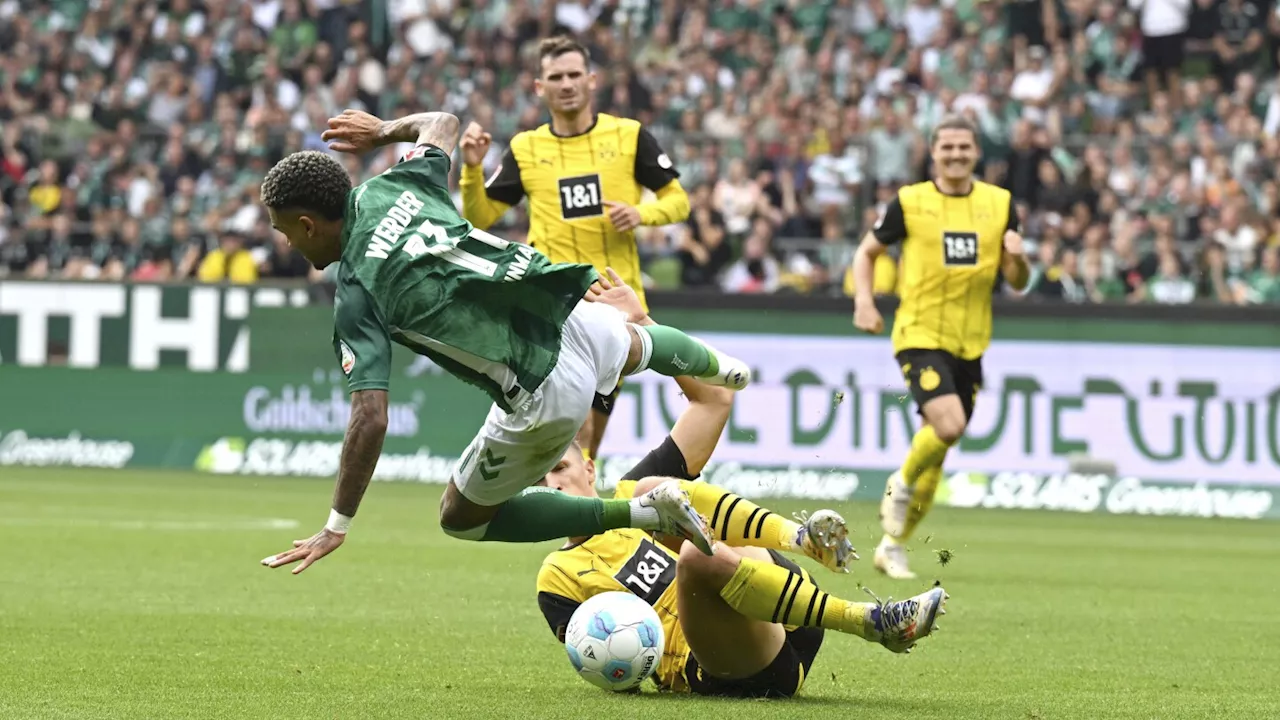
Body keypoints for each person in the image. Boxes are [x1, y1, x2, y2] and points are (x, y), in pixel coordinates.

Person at [257, 109, 749, 574]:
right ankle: (725, 368)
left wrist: (336, 524)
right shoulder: (397, 182)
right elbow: (442, 123)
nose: (288, 245)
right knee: (637, 344)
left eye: (285, 233)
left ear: (308, 224)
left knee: (459, 516)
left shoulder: (357, 294)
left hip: (540, 387)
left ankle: (644, 514)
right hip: (565, 307)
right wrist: (384, 131)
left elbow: (371, 417)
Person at [536, 271, 948, 698]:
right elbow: (609, 671)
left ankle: (800, 538)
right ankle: (870, 620)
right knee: (695, 556)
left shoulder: (630, 490)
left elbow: (715, 398)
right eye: (540, 478)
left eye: (560, 467)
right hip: (728, 664)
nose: (553, 482)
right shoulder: (557, 578)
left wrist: (644, 324)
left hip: (783, 600)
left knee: (651, 494)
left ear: (588, 468)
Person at [458, 36, 691, 462]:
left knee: (587, 445)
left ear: (592, 80)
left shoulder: (628, 136)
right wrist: (472, 168)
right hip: (552, 304)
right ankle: (567, 510)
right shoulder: (527, 149)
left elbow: (679, 200)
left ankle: (578, 513)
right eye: (555, 77)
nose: (566, 84)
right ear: (538, 87)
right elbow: (480, 216)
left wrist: (642, 214)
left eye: (573, 75)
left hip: (614, 302)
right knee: (572, 433)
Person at [852, 115, 1031, 580]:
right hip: (919, 334)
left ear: (976, 153)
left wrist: (1019, 258)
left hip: (971, 343)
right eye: (946, 147)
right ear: (933, 153)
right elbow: (866, 253)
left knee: (940, 446)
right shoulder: (910, 203)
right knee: (948, 425)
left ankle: (893, 546)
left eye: (963, 147)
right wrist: (864, 301)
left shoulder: (1000, 204)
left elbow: (1018, 281)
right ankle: (901, 481)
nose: (955, 155)